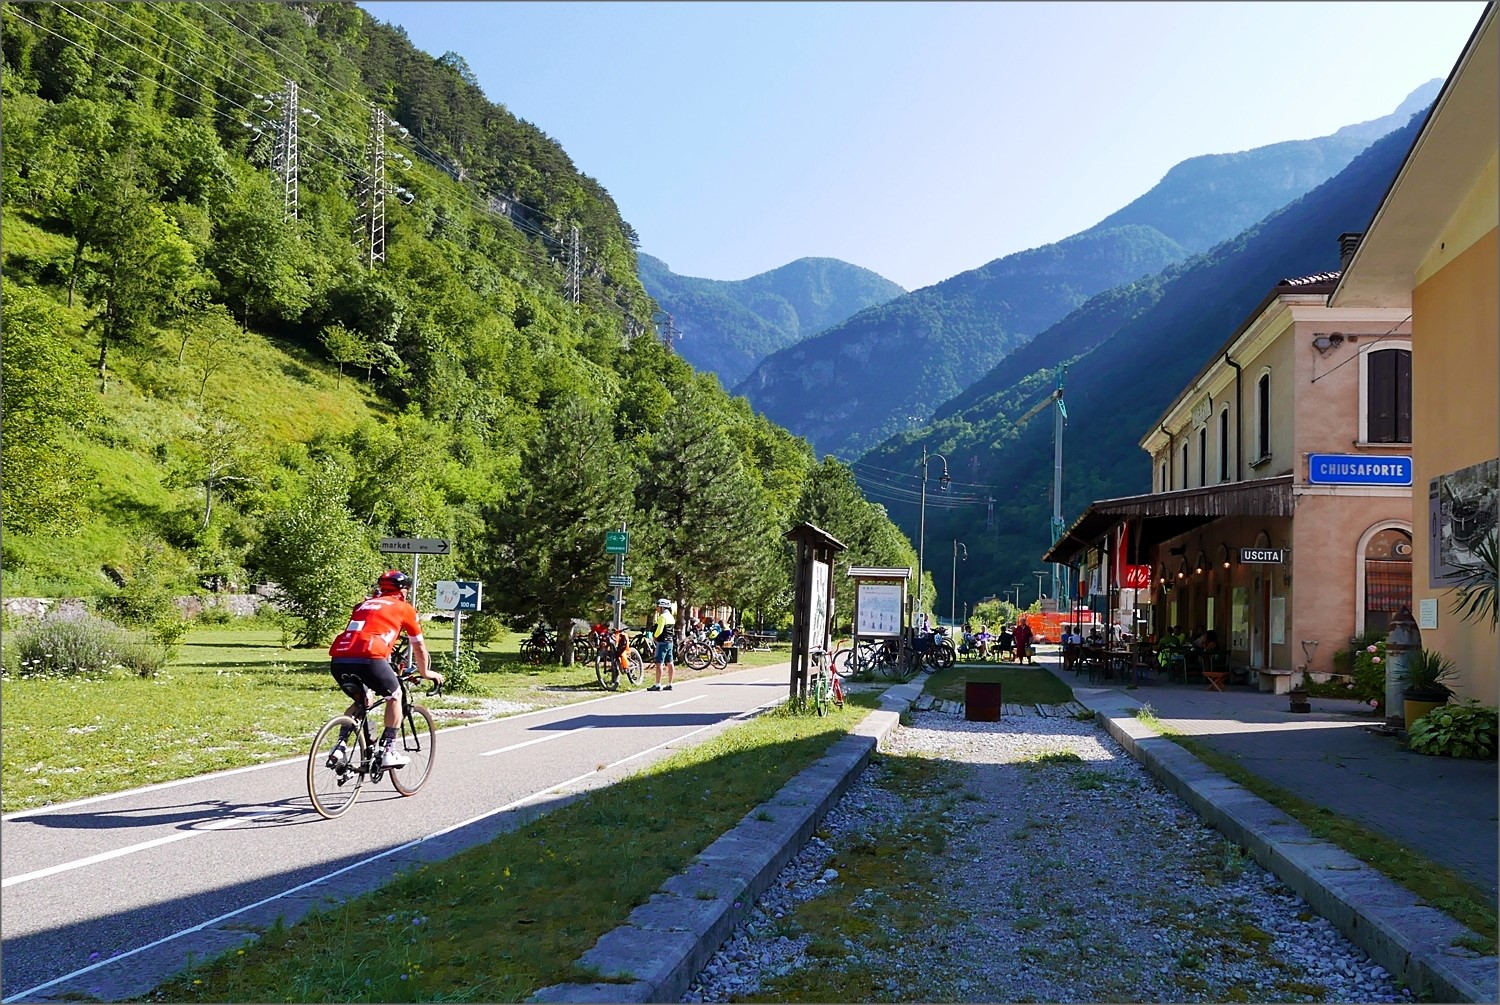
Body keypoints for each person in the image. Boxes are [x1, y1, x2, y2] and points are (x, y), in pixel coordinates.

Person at [326, 570, 442, 768]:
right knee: (395, 695)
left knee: (362, 700)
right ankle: (389, 751)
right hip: (371, 657)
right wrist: (426, 673)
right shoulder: (405, 608)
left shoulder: (363, 605)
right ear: (404, 591)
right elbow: (419, 647)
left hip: (340, 659)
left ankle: (339, 746)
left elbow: (368, 630)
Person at [646, 597, 677, 691]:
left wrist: (654, 637)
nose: (657, 608)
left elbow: (659, 630)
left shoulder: (662, 617)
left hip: (662, 642)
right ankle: (670, 683)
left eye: (658, 607)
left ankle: (658, 684)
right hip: (670, 641)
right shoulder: (671, 617)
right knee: (670, 662)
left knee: (659, 663)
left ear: (662, 607)